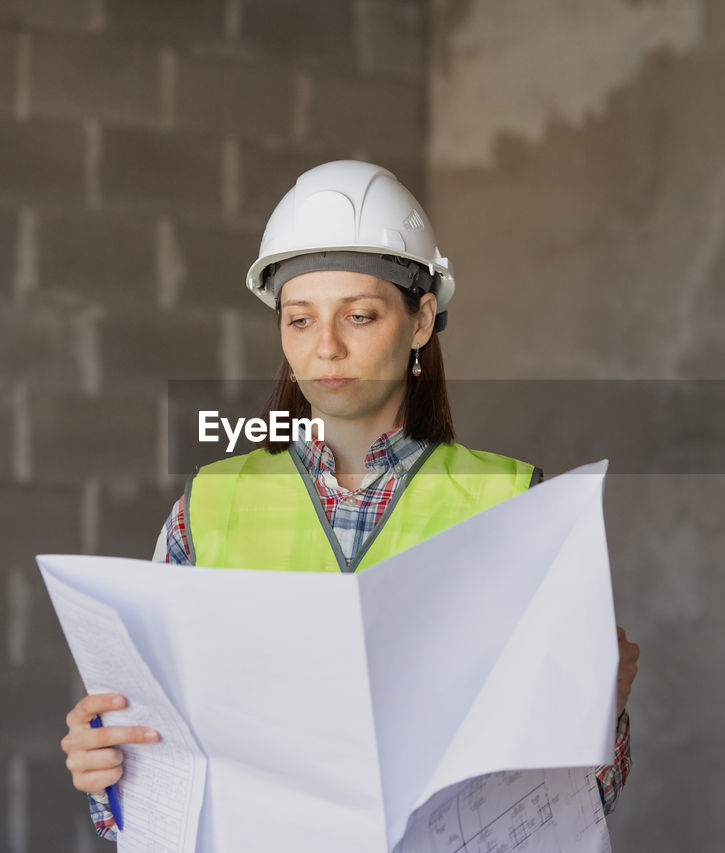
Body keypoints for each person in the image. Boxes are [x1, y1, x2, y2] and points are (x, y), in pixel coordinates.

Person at [59, 161, 641, 841]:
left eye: (359, 315)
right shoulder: (210, 507)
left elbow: (579, 795)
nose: (325, 347)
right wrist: (106, 761)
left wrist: (602, 705)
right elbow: (148, 774)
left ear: (421, 319)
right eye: (299, 320)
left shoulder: (511, 503)